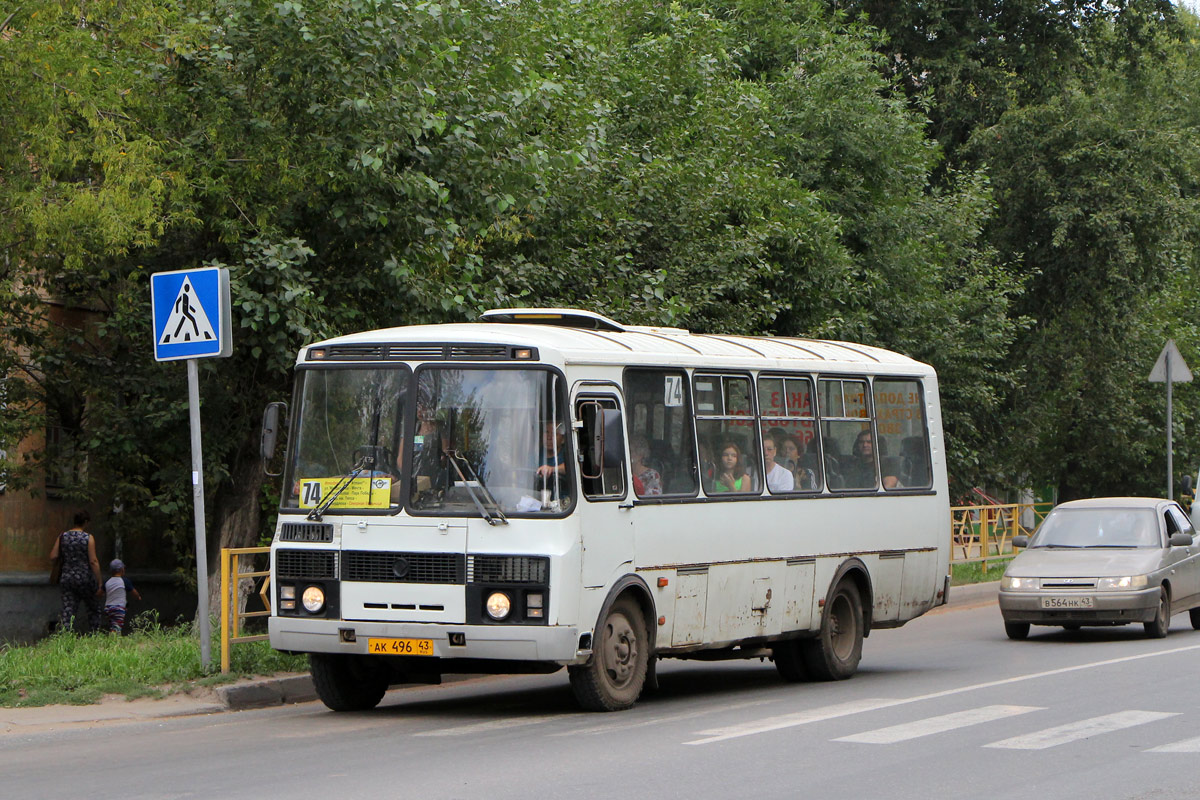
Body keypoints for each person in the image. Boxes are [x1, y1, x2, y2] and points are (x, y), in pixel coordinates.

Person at [49, 511, 102, 633]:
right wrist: (99, 582)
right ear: (86, 522)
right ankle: (94, 635)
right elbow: (93, 561)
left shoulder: (62, 536)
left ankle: (65, 637)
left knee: (68, 610)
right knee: (93, 608)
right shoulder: (88, 538)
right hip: (85, 578)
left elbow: (53, 556)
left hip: (66, 578)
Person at [103, 559, 141, 634]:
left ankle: (112, 638)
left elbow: (99, 593)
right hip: (118, 608)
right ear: (122, 569)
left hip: (108, 608)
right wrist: (138, 597)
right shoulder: (124, 581)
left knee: (113, 625)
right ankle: (113, 640)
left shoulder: (107, 582)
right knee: (117, 626)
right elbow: (134, 592)